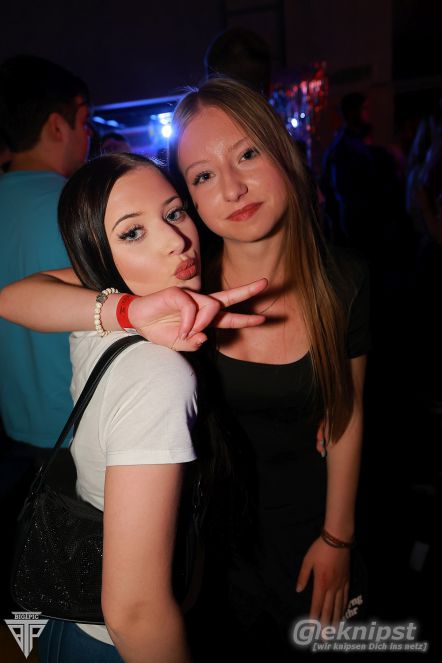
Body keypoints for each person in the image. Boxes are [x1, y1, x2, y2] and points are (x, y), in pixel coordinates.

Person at [0, 79, 370, 660]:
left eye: (247, 153)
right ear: (190, 197)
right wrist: (129, 310)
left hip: (306, 522)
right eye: (201, 176)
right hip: (208, 541)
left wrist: (337, 537)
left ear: (282, 150)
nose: (231, 187)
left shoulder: (343, 280)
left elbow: (348, 410)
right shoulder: (183, 274)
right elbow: (18, 296)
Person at [28, 152, 267, 663]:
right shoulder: (159, 373)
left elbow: (17, 296)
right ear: (97, 253)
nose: (175, 240)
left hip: (69, 622)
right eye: (133, 232)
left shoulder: (99, 313)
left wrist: (129, 309)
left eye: (174, 212)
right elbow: (135, 612)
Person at [0, 55, 91, 471]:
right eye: (84, 123)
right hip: (85, 423)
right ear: (57, 126)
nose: (88, 135)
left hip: (17, 429)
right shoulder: (81, 207)